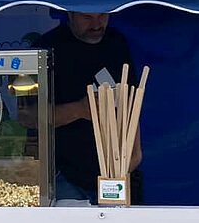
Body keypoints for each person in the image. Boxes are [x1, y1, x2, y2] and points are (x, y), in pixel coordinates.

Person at [38, 12, 142, 203]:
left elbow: (131, 104)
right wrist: (79, 109)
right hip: (66, 175)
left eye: (103, 15)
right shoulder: (48, 46)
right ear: (70, 14)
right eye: (87, 17)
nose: (96, 24)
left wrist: (134, 156)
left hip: (118, 171)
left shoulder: (116, 43)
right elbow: (27, 116)